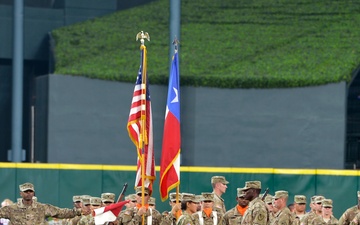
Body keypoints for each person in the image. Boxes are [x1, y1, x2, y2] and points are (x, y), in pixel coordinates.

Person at [0, 182, 89, 224]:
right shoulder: (11, 209)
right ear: (21, 193)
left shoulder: (42, 208)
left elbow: (61, 212)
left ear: (33, 193)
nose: (28, 193)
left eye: (30, 191)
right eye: (26, 191)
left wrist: (79, 211)